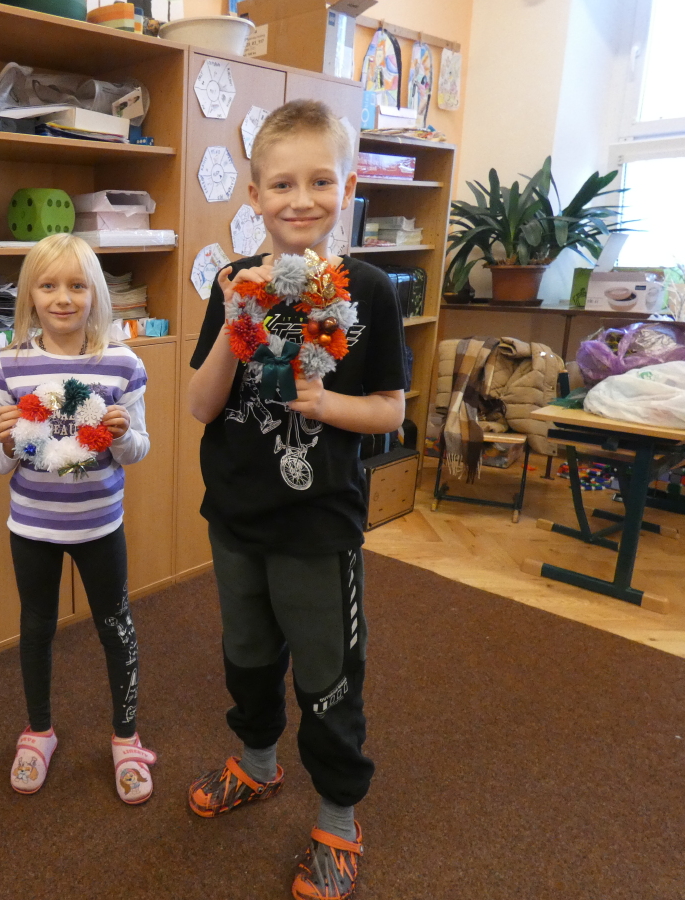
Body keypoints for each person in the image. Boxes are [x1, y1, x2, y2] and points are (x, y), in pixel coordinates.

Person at [186, 100, 407, 898]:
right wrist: (232, 315)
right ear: (254, 195)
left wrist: (327, 404)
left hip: (319, 525)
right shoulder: (234, 280)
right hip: (236, 515)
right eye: (282, 184)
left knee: (327, 673)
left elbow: (390, 410)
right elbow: (200, 405)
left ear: (346, 188)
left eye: (320, 181)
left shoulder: (371, 290)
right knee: (246, 654)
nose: (301, 199)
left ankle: (339, 818)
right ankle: (257, 763)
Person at [0, 233, 156, 804]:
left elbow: (138, 450)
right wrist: (5, 440)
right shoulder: (8, 365)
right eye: (48, 285)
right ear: (30, 295)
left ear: (95, 293)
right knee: (36, 628)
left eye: (77, 285)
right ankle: (38, 732)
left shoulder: (122, 363)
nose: (63, 298)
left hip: (100, 523)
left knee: (115, 625)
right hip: (32, 525)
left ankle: (126, 738)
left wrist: (123, 435)